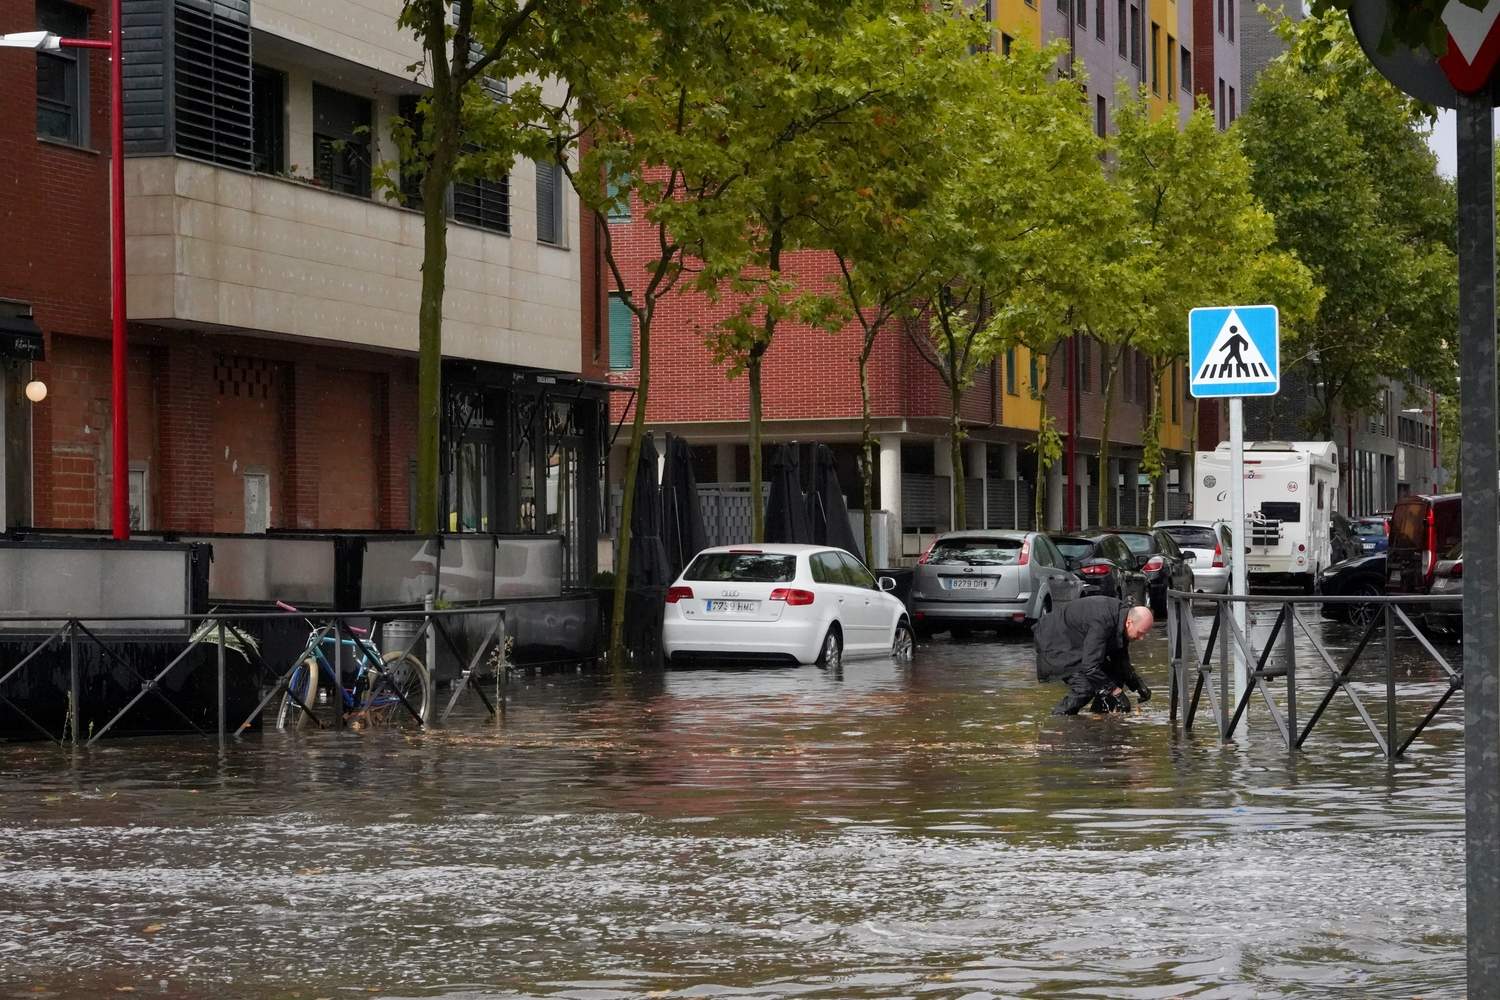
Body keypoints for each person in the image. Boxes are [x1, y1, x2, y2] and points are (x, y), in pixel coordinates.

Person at [1033, 596, 1154, 716]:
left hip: (1077, 641)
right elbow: (1090, 667)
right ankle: (1058, 721)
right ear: (1129, 623)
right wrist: (1116, 692)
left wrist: (1137, 684)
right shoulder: (1102, 622)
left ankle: (1100, 717)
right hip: (1055, 642)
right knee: (1085, 687)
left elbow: (1120, 659)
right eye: (1140, 633)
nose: (1141, 638)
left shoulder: (1121, 618)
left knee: (1116, 676)